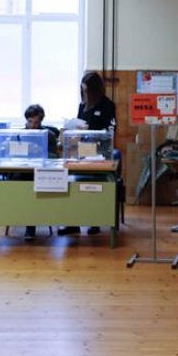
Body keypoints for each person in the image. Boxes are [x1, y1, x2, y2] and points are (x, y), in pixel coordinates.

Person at [59, 71, 117, 236]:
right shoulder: (82, 106)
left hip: (100, 152)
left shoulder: (108, 105)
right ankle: (73, 222)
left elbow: (111, 131)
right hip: (82, 151)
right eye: (82, 91)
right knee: (72, 182)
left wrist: (91, 130)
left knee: (93, 184)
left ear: (94, 90)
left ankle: (95, 220)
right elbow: (78, 126)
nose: (84, 94)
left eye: (86, 91)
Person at [23, 103, 60, 240]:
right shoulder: (20, 134)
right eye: (30, 121)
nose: (32, 125)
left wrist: (39, 152)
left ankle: (30, 227)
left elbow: (55, 157)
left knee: (32, 187)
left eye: (36, 122)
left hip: (42, 173)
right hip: (23, 172)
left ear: (41, 121)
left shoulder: (49, 135)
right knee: (20, 185)